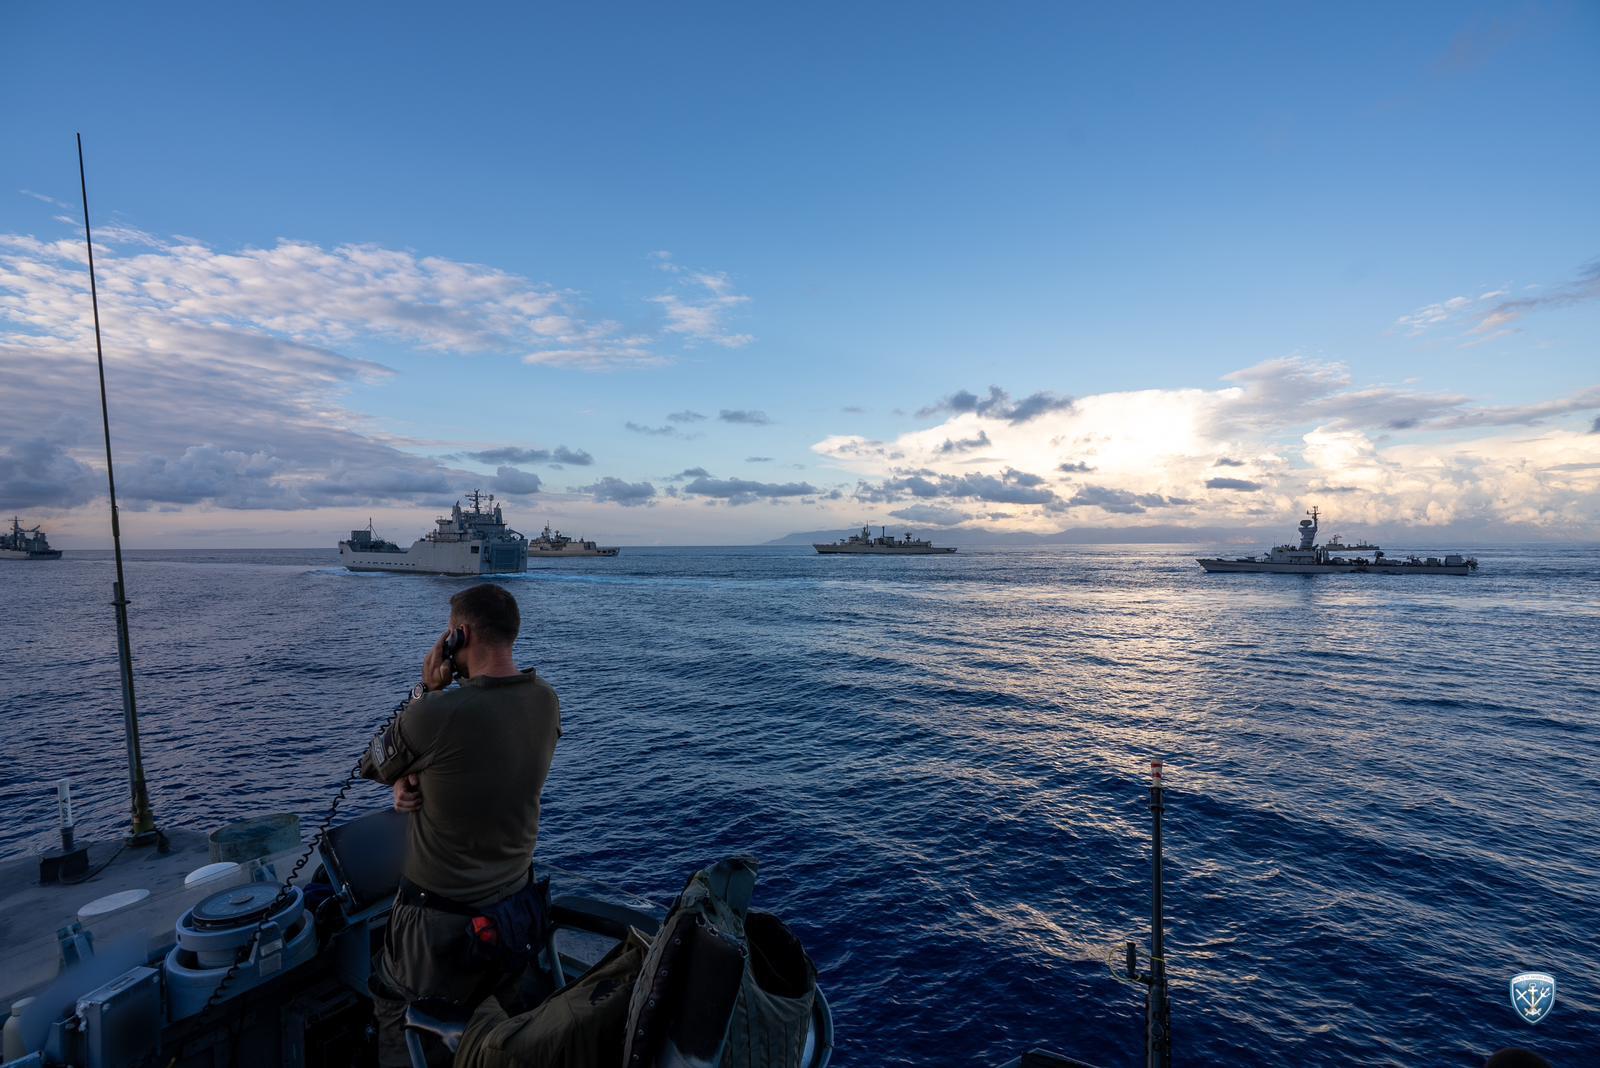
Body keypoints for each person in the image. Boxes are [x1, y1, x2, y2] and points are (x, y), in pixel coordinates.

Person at [359, 583, 561, 1067]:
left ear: (460, 635)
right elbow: (481, 765)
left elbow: (373, 762)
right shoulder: (546, 701)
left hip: (436, 926)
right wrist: (413, 777)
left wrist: (427, 689)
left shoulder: (436, 713)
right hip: (516, 910)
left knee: (401, 1018)